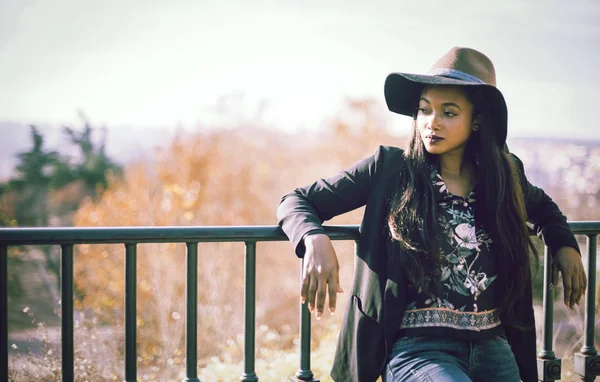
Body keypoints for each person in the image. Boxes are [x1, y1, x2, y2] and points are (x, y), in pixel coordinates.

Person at [276, 47, 587, 382]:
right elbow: (296, 200)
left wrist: (565, 246)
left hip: (493, 345)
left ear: (478, 120)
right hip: (417, 351)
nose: (432, 123)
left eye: (449, 113)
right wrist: (313, 238)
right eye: (424, 111)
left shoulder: (503, 176)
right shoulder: (389, 168)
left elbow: (546, 211)